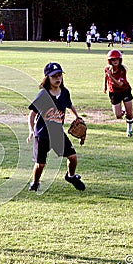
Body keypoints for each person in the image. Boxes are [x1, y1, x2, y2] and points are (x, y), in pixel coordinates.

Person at [26, 62, 86, 192]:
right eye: (54, 76)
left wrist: (76, 117)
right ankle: (35, 182)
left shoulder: (64, 92)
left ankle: (71, 176)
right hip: (42, 134)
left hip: (57, 133)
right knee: (40, 164)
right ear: (48, 77)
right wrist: (31, 130)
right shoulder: (43, 95)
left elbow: (69, 105)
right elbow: (32, 114)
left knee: (73, 157)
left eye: (60, 75)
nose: (58, 78)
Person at [103, 50, 133, 137]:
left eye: (117, 59)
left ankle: (129, 129)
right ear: (110, 61)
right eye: (113, 60)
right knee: (118, 115)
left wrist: (111, 76)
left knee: (129, 113)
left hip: (125, 91)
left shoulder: (122, 70)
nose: (115, 61)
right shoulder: (107, 69)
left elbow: (120, 84)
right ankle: (123, 110)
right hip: (114, 93)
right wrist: (105, 86)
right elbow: (106, 76)